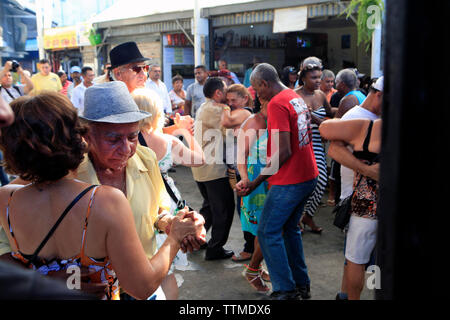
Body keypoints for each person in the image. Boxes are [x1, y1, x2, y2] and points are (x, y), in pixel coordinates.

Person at [0, 91, 205, 300]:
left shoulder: (146, 158)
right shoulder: (105, 198)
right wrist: (176, 237)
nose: (126, 149)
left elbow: (157, 210)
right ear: (85, 135)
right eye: (113, 139)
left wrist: (171, 222)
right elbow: (142, 287)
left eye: (133, 136)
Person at [236, 63, 318, 300]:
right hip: (307, 175)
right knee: (289, 230)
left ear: (264, 84)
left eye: (255, 88)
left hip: (290, 180)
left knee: (267, 231)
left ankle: (285, 289)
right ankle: (301, 285)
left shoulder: (278, 104)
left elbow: (283, 152)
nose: (255, 94)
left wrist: (255, 182)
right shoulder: (294, 96)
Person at [132, 87, 205, 298]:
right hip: (166, 203)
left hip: (137, 200)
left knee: (139, 260)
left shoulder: (125, 141)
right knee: (166, 270)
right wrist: (185, 132)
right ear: (156, 112)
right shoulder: (167, 141)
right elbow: (199, 159)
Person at [326, 76, 383, 301]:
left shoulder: (370, 123)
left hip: (365, 200)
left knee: (359, 258)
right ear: (379, 95)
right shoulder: (359, 119)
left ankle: (350, 295)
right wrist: (368, 170)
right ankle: (348, 295)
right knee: (355, 259)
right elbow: (333, 146)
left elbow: (325, 129)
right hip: (358, 197)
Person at [191, 77, 236, 261]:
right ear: (218, 93)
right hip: (213, 169)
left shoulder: (203, 106)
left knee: (209, 208)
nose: (229, 97)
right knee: (224, 209)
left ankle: (196, 240)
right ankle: (215, 248)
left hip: (202, 169)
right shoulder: (219, 109)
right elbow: (229, 131)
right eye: (226, 92)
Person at [109, 42, 193, 137]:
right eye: (136, 69)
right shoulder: (116, 105)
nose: (143, 75)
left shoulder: (143, 99)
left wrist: (179, 127)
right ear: (118, 74)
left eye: (145, 68)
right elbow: (146, 139)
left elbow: (152, 134)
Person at [294, 57, 334, 234]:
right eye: (313, 77)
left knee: (321, 179)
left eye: (319, 77)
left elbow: (329, 114)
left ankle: (307, 215)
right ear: (303, 78)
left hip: (317, 143)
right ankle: (297, 218)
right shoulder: (295, 95)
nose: (318, 81)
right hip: (300, 145)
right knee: (303, 183)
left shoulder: (320, 95)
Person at [236, 97, 270, 292]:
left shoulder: (277, 120)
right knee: (261, 228)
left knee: (268, 226)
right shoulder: (253, 122)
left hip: (273, 179)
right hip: (255, 179)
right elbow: (241, 154)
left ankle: (257, 266)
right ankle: (253, 269)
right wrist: (244, 178)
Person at [221, 84, 253, 262]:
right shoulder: (239, 114)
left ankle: (250, 248)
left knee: (245, 209)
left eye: (233, 100)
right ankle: (251, 246)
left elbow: (225, 122)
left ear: (244, 99)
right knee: (242, 208)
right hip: (236, 168)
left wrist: (223, 107)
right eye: (228, 101)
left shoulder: (244, 112)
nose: (230, 104)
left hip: (244, 169)